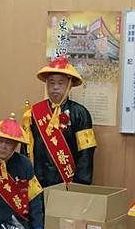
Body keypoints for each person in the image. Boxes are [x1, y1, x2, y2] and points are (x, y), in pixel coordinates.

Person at [22, 56, 96, 187]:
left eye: (60, 83)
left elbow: (86, 153)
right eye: (51, 83)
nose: (55, 87)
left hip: (67, 181)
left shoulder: (80, 113)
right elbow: (26, 149)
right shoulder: (33, 113)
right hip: (38, 181)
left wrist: (79, 184)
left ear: (69, 85)